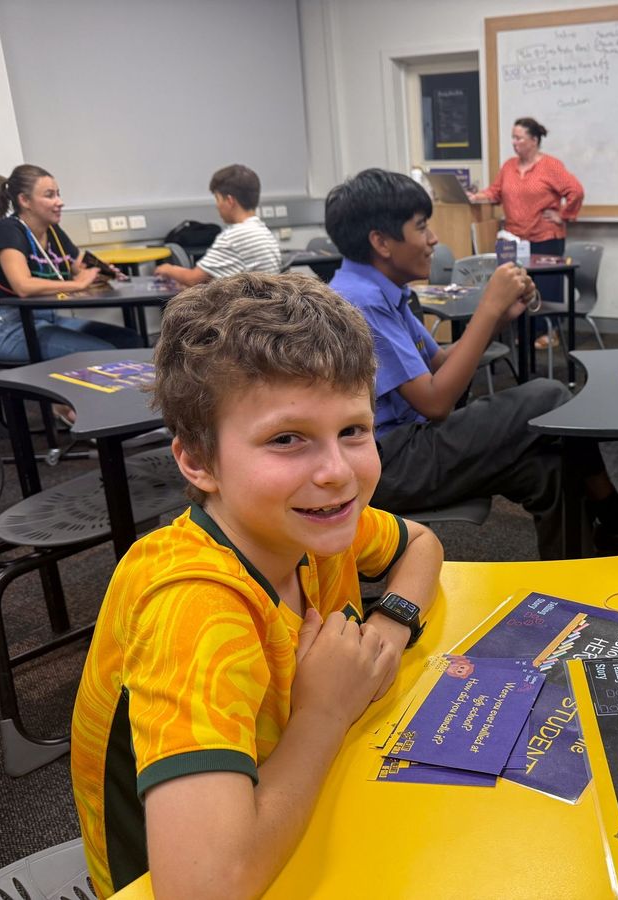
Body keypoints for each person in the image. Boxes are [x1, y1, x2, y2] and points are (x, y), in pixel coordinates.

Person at [71, 272, 443, 898]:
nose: (337, 472)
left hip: (300, 803)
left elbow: (422, 544)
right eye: (286, 439)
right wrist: (325, 711)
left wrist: (390, 624)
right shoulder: (192, 604)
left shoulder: (312, 523)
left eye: (353, 430)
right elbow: (205, 888)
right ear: (198, 461)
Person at [326, 168, 618, 559]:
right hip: (390, 462)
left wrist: (497, 317)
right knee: (549, 394)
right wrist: (487, 307)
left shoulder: (381, 291)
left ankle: (573, 576)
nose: (433, 239)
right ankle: (614, 512)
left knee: (550, 468)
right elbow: (435, 402)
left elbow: (438, 363)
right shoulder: (361, 302)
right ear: (381, 242)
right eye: (422, 227)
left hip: (407, 447)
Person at [0, 164, 142, 363]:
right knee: (102, 354)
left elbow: (80, 266)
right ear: (24, 200)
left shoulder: (52, 230)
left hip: (45, 319)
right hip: (8, 329)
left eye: (58, 194)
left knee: (129, 340)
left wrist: (102, 272)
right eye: (50, 195)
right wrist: (78, 284)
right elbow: (23, 286)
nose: (60, 202)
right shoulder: (7, 231)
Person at [468, 117, 583, 348]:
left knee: (546, 287)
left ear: (534, 140)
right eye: (513, 138)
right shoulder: (509, 166)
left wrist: (563, 215)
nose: (514, 142)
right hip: (514, 239)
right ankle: (526, 331)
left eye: (519, 138)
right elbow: (495, 192)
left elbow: (576, 191)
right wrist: (475, 196)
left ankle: (549, 332)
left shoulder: (550, 166)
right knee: (518, 285)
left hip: (545, 237)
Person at [154, 164, 281, 286]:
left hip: (245, 302)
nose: (217, 206)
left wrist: (168, 269)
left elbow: (193, 279)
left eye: (218, 199)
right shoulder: (264, 231)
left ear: (230, 201)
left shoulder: (234, 236)